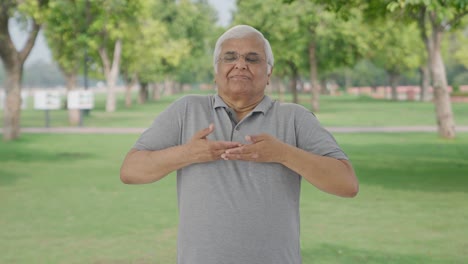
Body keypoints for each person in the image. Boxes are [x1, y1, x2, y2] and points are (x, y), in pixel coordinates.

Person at [120, 24, 358, 264]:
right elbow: (130, 171)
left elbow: (347, 184)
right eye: (230, 57)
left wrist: (283, 154)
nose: (240, 64)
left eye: (252, 59)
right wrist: (188, 153)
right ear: (216, 71)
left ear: (269, 74)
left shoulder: (295, 118)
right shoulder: (186, 111)